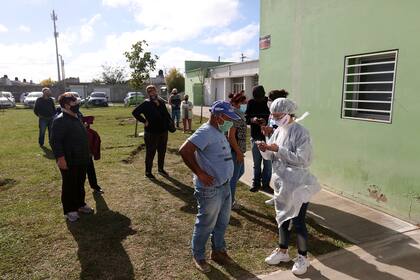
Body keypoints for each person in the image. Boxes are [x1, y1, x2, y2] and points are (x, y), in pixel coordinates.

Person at [256, 98, 320, 275]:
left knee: (298, 222)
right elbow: (271, 156)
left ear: (288, 114)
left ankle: (302, 257)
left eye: (278, 116)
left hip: (299, 184)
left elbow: (303, 159)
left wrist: (278, 150)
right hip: (282, 183)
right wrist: (265, 148)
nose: (275, 119)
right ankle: (282, 251)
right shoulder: (278, 131)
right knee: (282, 219)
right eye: (273, 116)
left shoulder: (301, 133)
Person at [179, 100, 240, 273]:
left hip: (224, 186)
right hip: (210, 189)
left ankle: (218, 251)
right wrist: (200, 173)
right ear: (219, 116)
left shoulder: (219, 130)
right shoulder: (205, 132)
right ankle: (198, 256)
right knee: (206, 223)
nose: (231, 121)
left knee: (222, 221)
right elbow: (184, 150)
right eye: (229, 118)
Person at [50, 93, 94, 222]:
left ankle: (80, 204)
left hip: (81, 157)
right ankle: (70, 210)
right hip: (69, 159)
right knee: (69, 185)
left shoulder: (76, 116)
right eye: (74, 103)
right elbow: (55, 141)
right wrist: (60, 158)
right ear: (66, 105)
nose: (77, 105)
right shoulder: (60, 120)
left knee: (80, 183)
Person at [132, 85, 170, 179]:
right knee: (150, 152)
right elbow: (135, 112)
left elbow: (166, 114)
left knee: (162, 151)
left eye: (153, 91)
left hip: (163, 131)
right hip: (151, 133)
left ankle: (161, 169)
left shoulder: (161, 102)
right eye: (149, 91)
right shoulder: (146, 103)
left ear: (156, 91)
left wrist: (169, 123)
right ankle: (148, 172)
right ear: (147, 93)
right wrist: (144, 121)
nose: (151, 93)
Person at [245, 85, 272, 192]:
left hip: (268, 139)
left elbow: (273, 117)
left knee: (268, 164)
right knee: (257, 163)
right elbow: (246, 118)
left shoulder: (269, 103)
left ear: (264, 95)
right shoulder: (251, 103)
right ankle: (256, 183)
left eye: (260, 98)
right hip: (255, 137)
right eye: (257, 98)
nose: (259, 100)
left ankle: (265, 185)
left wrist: (266, 122)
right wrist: (253, 120)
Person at [227, 92, 247, 209]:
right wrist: (238, 152)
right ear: (237, 103)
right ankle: (229, 202)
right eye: (243, 103)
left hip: (238, 150)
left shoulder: (239, 114)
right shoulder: (235, 115)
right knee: (233, 178)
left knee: (240, 172)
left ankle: (226, 193)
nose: (245, 105)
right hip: (235, 151)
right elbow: (231, 136)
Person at [82, 116, 104, 194]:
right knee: (79, 175)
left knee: (91, 171)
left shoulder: (90, 133)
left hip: (87, 154)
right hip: (75, 155)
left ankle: (95, 186)